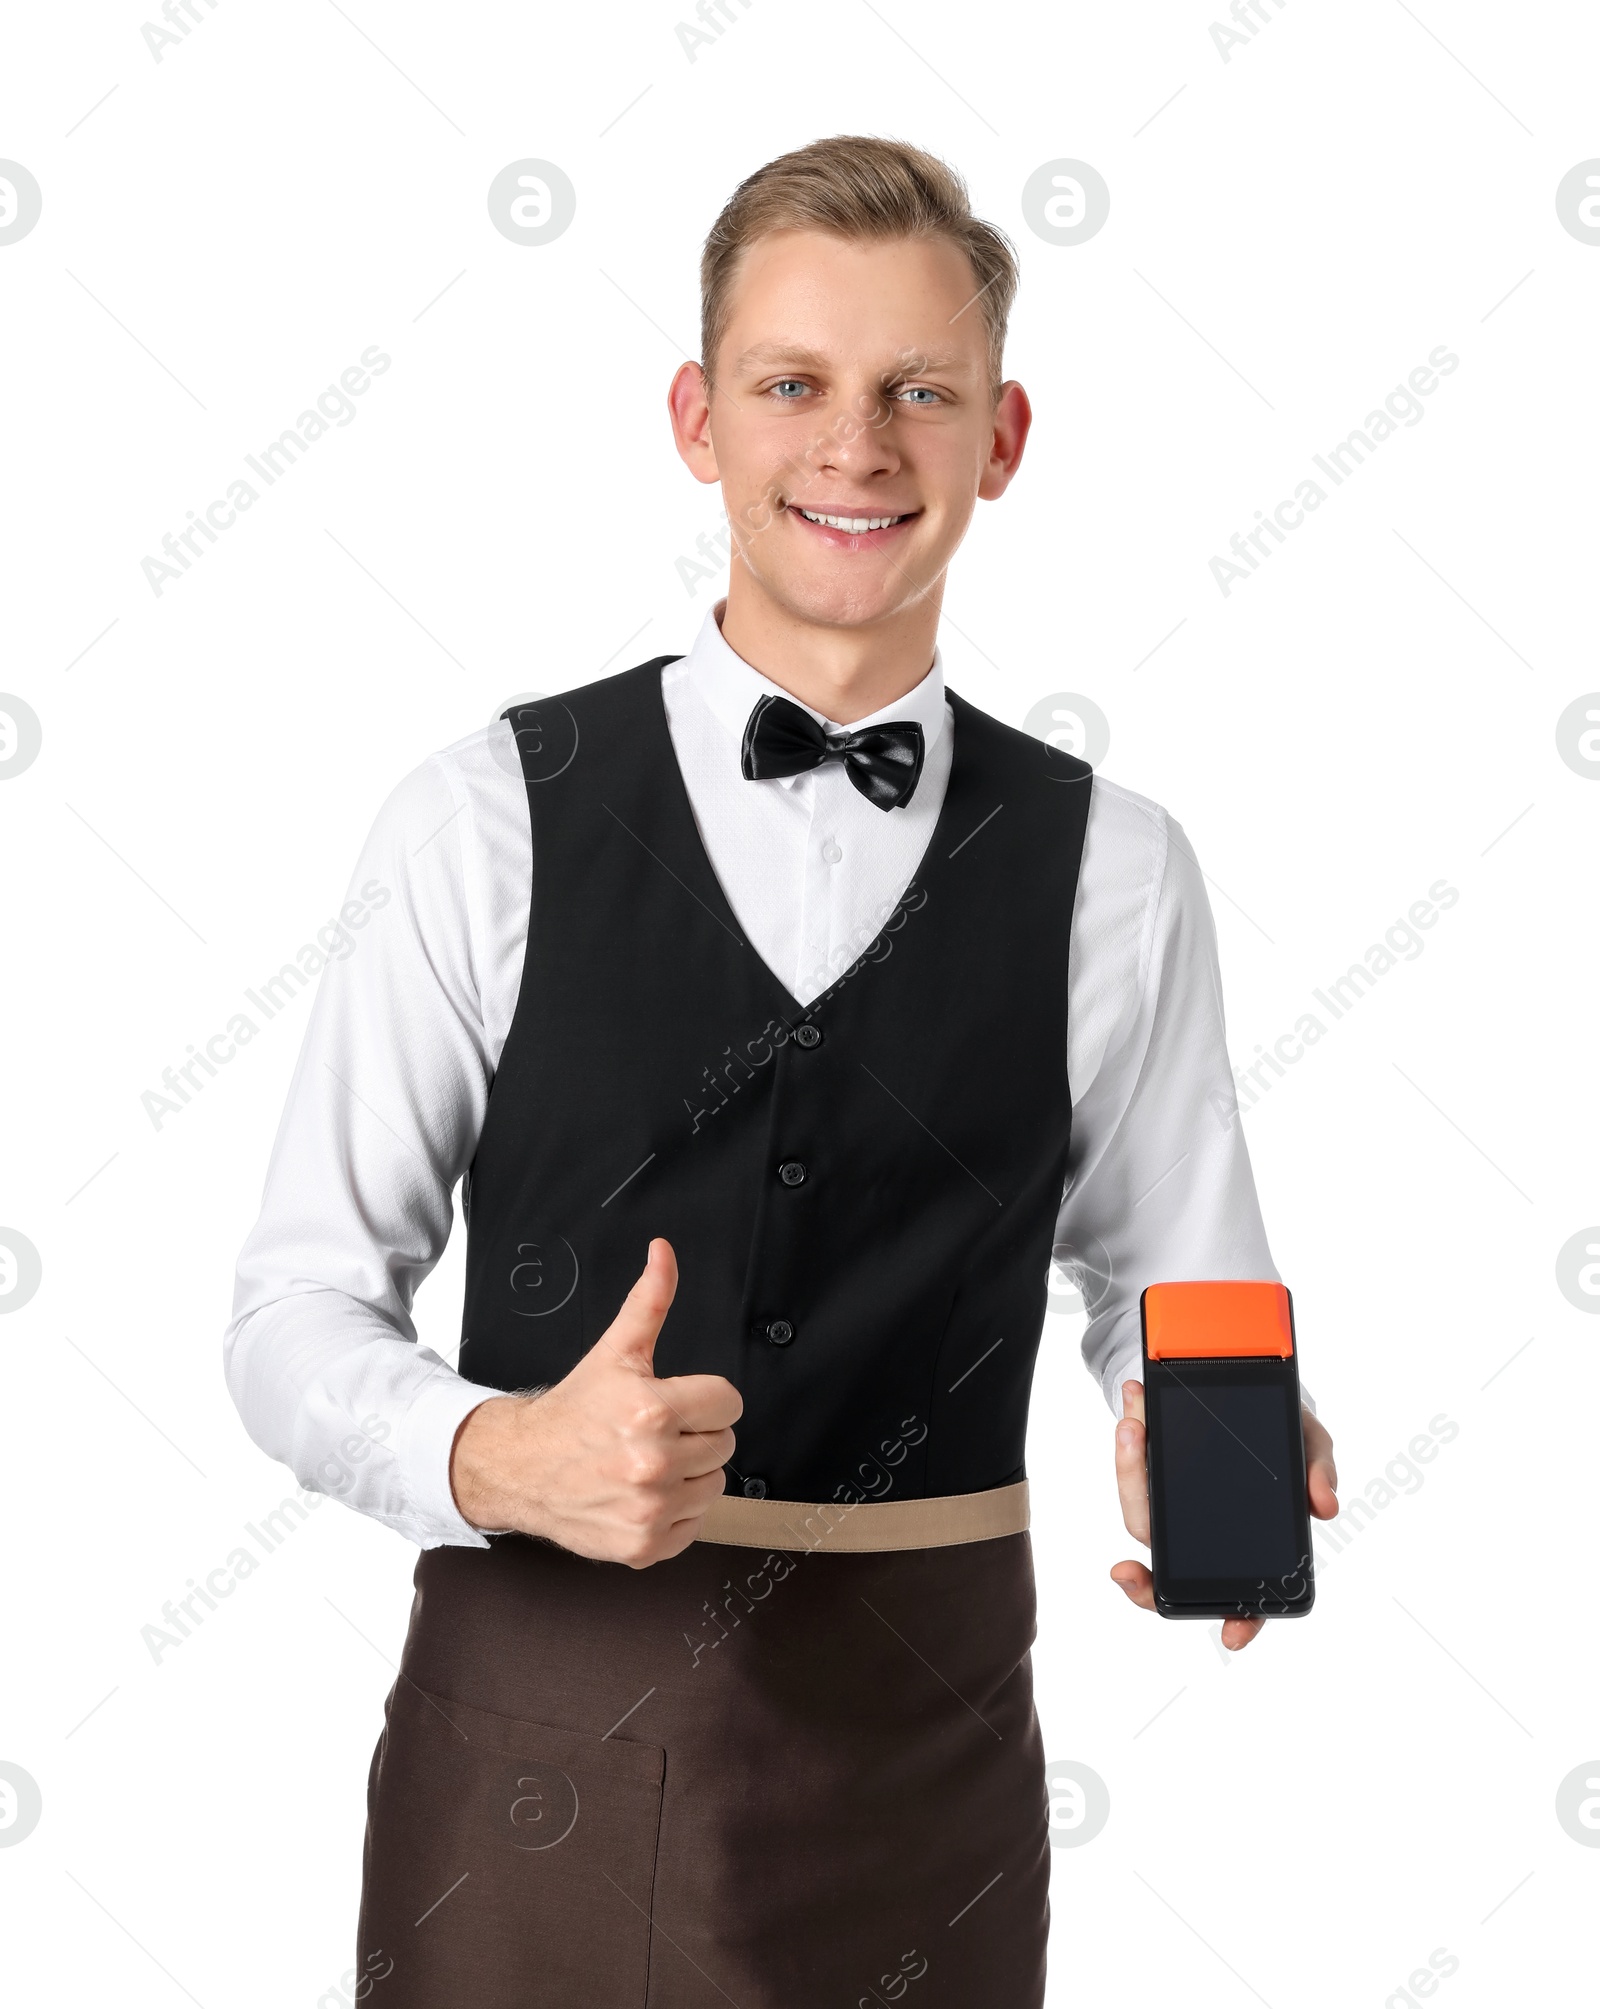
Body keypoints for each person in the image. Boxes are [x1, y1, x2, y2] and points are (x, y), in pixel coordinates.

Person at [225, 133, 1338, 2009]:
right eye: (793, 385)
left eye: (921, 391)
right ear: (697, 416)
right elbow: (288, 1312)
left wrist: (1204, 1438)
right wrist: (495, 1449)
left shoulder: (1118, 866)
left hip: (924, 1770)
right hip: (530, 1774)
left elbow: (1180, 1282)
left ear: (1002, 437)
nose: (856, 446)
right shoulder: (485, 816)